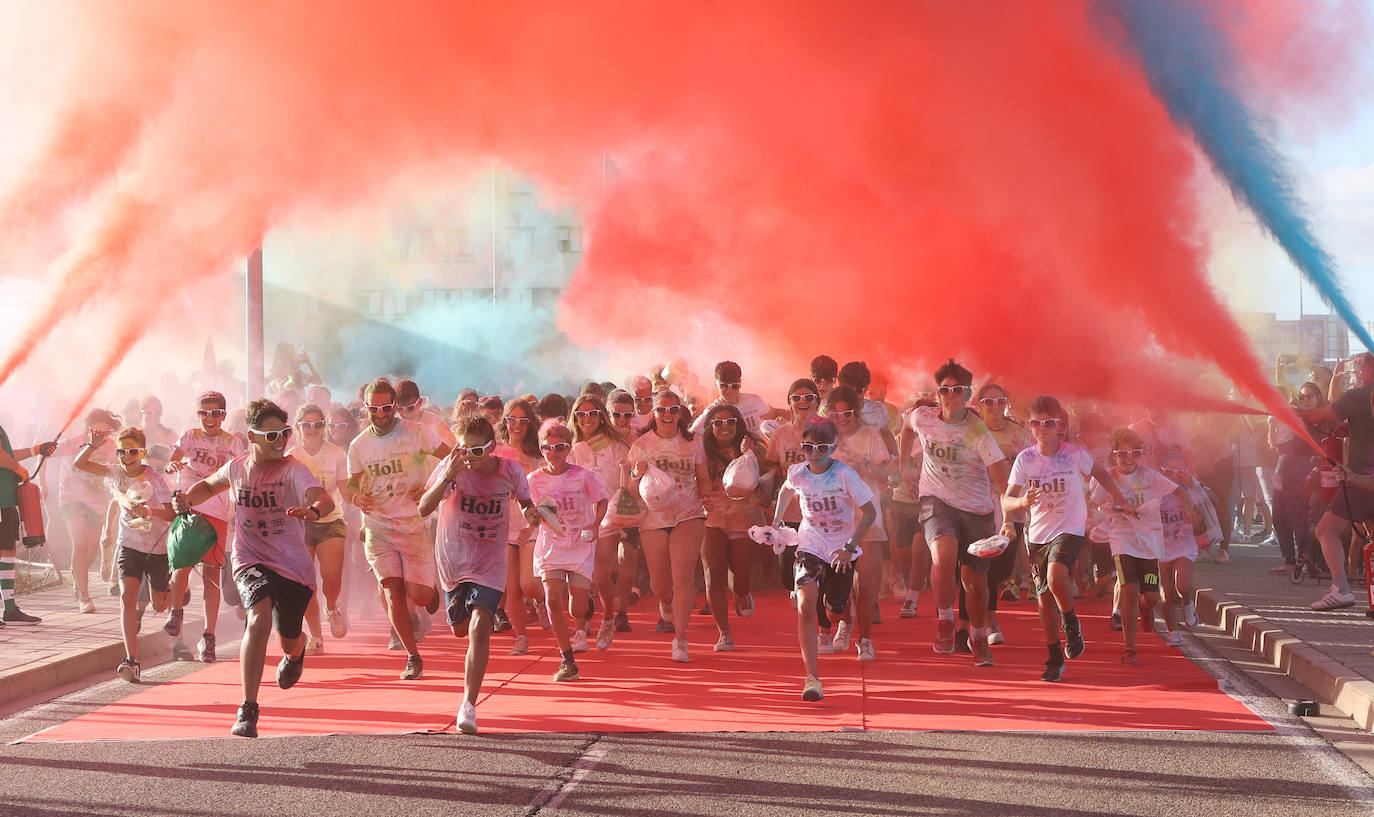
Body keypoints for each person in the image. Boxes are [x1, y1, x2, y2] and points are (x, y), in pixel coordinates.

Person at [173, 398, 332, 737]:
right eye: (271, 435)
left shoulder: (294, 469)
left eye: (284, 434)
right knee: (258, 618)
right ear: (252, 437)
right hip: (248, 559)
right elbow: (207, 486)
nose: (281, 441)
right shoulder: (237, 468)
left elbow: (322, 496)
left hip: (292, 566)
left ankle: (298, 647)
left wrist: (314, 510)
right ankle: (248, 707)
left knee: (288, 637)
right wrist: (187, 499)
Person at [419, 415, 539, 734]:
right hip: (454, 561)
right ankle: (468, 697)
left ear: (492, 447)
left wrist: (533, 513)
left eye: (477, 450)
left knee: (479, 627)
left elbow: (527, 503)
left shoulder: (510, 470)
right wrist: (448, 476)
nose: (469, 457)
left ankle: (468, 706)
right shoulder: (452, 466)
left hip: (490, 562)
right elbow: (422, 508)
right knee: (460, 629)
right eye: (464, 449)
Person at [1003, 396, 1132, 681]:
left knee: (1056, 577)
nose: (1043, 428)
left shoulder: (1074, 454)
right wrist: (1021, 503)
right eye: (1037, 423)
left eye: (1049, 423)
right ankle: (1054, 657)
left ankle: (1071, 623)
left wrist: (1122, 499)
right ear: (1030, 425)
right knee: (1044, 599)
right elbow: (1006, 501)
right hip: (1036, 534)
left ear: (1059, 425)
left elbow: (1100, 473)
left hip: (1070, 529)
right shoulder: (1025, 459)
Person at [898, 359, 1010, 666]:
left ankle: (977, 636)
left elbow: (1002, 483)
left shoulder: (978, 433)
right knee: (943, 556)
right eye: (945, 390)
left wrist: (1008, 523)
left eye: (957, 390)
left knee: (975, 583)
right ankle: (945, 620)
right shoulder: (923, 417)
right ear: (937, 394)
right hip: (936, 501)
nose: (951, 395)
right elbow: (907, 427)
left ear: (967, 393)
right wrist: (904, 465)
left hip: (976, 510)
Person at [344, 377, 451, 680]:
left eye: (386, 407)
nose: (380, 414)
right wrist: (355, 495)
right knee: (393, 592)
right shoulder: (359, 444)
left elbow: (451, 459)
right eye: (373, 409)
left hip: (414, 523)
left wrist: (433, 487)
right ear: (365, 408)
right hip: (378, 526)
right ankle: (412, 656)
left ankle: (429, 594)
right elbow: (351, 482)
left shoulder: (417, 433)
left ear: (394, 406)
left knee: (416, 594)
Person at [772, 417, 876, 702]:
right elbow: (785, 490)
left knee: (833, 610)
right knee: (806, 606)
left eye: (821, 447)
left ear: (833, 448)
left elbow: (869, 513)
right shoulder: (797, 472)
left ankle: (845, 613)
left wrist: (849, 546)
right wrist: (777, 522)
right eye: (807, 447)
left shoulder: (845, 475)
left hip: (841, 549)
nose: (814, 453)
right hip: (809, 546)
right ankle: (812, 678)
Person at [75, 427, 174, 676]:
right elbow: (81, 463)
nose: (126, 457)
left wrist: (148, 512)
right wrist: (93, 444)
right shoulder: (115, 473)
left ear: (142, 452)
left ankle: (174, 593)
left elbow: (171, 513)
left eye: (132, 451)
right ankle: (132, 660)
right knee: (126, 597)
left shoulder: (155, 479)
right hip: (129, 545)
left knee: (160, 604)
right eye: (121, 451)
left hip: (156, 547)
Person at [1090, 428, 1194, 665]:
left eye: (1135, 453)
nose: (1129, 459)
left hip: (1148, 541)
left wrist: (1188, 508)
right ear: (1114, 455)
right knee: (1128, 589)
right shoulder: (1108, 478)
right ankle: (1129, 648)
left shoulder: (1150, 476)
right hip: (1121, 539)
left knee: (1152, 597)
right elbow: (1092, 503)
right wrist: (1095, 515)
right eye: (1123, 454)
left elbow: (1177, 490)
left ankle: (1145, 607)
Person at [628, 389, 709, 663]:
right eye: (662, 409)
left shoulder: (693, 442)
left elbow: (703, 479)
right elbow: (630, 489)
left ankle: (681, 637)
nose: (667, 414)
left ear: (680, 412)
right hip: (653, 517)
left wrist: (711, 495)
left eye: (673, 409)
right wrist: (636, 475)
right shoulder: (641, 445)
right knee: (661, 584)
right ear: (653, 411)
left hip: (688, 512)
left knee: (683, 575)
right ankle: (665, 602)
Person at [164, 391, 246, 662]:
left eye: (215, 413)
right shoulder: (189, 436)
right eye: (203, 413)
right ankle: (176, 612)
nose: (209, 418)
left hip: (218, 514)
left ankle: (208, 637)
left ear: (223, 414)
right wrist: (172, 463)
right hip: (189, 508)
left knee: (212, 576)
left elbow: (243, 473)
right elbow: (172, 459)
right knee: (181, 566)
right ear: (197, 414)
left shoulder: (233, 442)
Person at [528, 421, 609, 682]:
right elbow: (525, 506)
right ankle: (567, 659)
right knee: (552, 599)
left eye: (560, 447)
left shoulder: (583, 475)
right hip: (550, 546)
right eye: (547, 448)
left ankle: (584, 612)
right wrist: (529, 517)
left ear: (568, 448)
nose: (553, 453)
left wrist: (595, 525)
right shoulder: (534, 480)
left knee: (576, 607)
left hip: (580, 545)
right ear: (541, 450)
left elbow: (602, 499)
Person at [958, 383, 1031, 650]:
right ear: (980, 405)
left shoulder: (1020, 434)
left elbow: (1032, 464)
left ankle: (979, 621)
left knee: (1003, 568)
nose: (995, 407)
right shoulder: (971, 432)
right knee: (981, 565)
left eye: (1000, 401)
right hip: (980, 503)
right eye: (988, 402)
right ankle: (987, 623)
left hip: (1012, 505)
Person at [1299, 352, 1374, 610]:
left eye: (1360, 366)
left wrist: (1292, 411)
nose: (1357, 372)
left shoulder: (1360, 396)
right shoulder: (1361, 397)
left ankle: (1341, 589)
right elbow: (1340, 409)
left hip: (1359, 479)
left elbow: (1323, 415)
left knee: (1325, 530)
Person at [826, 385, 892, 661]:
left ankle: (865, 640)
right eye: (836, 413)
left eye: (848, 413)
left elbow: (883, 474)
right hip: (834, 521)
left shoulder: (871, 436)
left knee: (866, 584)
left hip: (867, 520)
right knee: (837, 590)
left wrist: (862, 467)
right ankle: (844, 621)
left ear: (857, 413)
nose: (842, 419)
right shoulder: (823, 437)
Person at [699, 402, 767, 652]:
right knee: (713, 575)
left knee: (741, 579)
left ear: (738, 424)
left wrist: (750, 454)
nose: (724, 426)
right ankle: (724, 633)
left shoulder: (752, 447)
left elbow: (768, 476)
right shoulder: (700, 451)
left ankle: (741, 593)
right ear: (710, 427)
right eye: (718, 422)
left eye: (730, 422)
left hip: (744, 518)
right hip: (710, 518)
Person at [568, 393, 632, 650]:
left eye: (592, 413)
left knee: (600, 575)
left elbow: (626, 484)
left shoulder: (617, 447)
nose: (587, 419)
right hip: (575, 519)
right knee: (578, 577)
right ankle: (580, 630)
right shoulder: (568, 447)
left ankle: (608, 616)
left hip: (608, 517)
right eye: (581, 414)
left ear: (601, 416)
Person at [287, 403, 350, 648]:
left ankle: (332, 608)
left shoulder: (337, 453)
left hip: (331, 520)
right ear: (298, 427)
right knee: (306, 581)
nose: (312, 429)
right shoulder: (290, 457)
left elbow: (346, 490)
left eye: (318, 424)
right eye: (307, 425)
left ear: (324, 426)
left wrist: (364, 500)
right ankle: (316, 636)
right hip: (300, 526)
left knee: (331, 577)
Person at [55, 409, 119, 614]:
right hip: (71, 497)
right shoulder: (74, 442)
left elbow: (119, 468)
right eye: (98, 430)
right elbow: (49, 452)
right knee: (80, 543)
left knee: (91, 549)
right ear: (89, 428)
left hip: (98, 502)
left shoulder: (111, 447)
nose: (102, 434)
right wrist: (42, 482)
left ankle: (78, 578)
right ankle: (84, 595)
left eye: (105, 430)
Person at [495, 398, 545, 654]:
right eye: (511, 420)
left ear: (529, 424)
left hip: (530, 524)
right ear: (505, 422)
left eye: (522, 420)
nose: (516, 425)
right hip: (502, 526)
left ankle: (542, 601)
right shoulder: (496, 450)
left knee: (529, 584)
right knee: (511, 587)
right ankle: (521, 636)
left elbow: (547, 488)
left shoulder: (538, 453)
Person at [1270, 384, 1331, 576]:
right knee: (1279, 514)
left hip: (1306, 469)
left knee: (1300, 516)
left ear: (1319, 398)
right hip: (1287, 465)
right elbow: (1276, 442)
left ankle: (1306, 560)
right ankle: (1289, 559)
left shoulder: (1321, 418)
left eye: (1310, 396)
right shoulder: (1297, 415)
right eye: (1302, 397)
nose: (1305, 400)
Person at [0, 426, 58, 625]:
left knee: (7, 550)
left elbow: (6, 454)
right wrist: (19, 469)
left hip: (5, 499)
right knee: (5, 550)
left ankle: (10, 609)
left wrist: (36, 450)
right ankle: (9, 609)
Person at [689, 361, 780, 434]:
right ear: (716, 385)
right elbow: (691, 434)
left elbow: (772, 414)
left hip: (757, 453)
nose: (729, 391)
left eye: (734, 386)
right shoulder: (712, 412)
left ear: (740, 383)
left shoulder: (754, 400)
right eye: (724, 386)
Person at [396, 379, 458, 449]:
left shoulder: (435, 422)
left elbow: (454, 447)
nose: (405, 413)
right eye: (400, 409)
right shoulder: (394, 425)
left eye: (410, 408)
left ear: (420, 402)